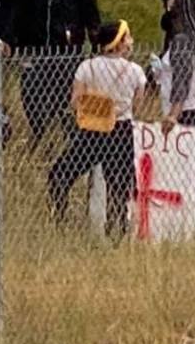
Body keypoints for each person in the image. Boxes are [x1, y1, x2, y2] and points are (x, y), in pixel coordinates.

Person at [48, 20, 147, 237]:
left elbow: (75, 101)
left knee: (60, 173)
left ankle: (59, 220)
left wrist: (96, 105)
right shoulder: (136, 72)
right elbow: (137, 106)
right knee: (119, 184)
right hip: (121, 131)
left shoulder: (87, 67)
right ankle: (117, 229)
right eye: (127, 37)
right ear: (119, 43)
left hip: (93, 129)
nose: (131, 41)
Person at [20, 0, 102, 144]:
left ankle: (71, 134)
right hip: (41, 48)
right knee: (31, 90)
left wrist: (95, 41)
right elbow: (26, 11)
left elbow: (91, 13)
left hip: (69, 49)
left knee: (67, 94)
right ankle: (40, 130)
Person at [152, 0, 195, 235]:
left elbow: (181, 79)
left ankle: (194, 221)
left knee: (189, 171)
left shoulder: (181, 41)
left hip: (187, 113)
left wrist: (173, 114)